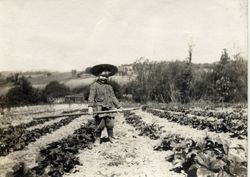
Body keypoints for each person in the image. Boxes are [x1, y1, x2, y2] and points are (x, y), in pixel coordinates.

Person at [88, 64, 122, 146]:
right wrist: (90, 107)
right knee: (100, 125)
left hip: (109, 108)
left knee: (110, 124)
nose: (104, 78)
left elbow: (113, 97)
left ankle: (111, 137)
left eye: (106, 76)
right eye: (102, 76)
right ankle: (97, 138)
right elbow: (91, 97)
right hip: (100, 109)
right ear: (98, 75)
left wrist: (119, 106)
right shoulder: (94, 86)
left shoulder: (109, 87)